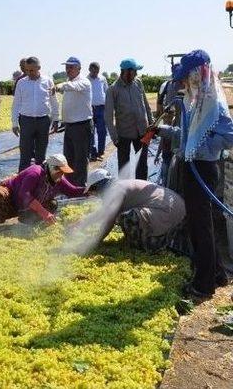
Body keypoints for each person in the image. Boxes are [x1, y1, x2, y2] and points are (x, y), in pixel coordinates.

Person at [156, 49, 233, 299]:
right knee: (203, 224)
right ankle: (218, 274)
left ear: (198, 74)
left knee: (201, 227)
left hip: (204, 169)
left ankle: (203, 285)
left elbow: (229, 136)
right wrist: (165, 131)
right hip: (192, 165)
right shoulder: (195, 100)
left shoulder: (213, 103)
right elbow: (188, 134)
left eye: (186, 77)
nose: (183, 82)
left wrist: (205, 147)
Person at [80, 169, 186, 252]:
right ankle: (149, 240)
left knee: (125, 217)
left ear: (97, 187)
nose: (94, 195)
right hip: (176, 208)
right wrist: (83, 223)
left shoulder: (115, 191)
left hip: (167, 210)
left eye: (92, 191)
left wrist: (95, 242)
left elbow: (109, 220)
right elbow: (103, 212)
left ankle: (144, 247)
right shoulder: (118, 186)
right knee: (124, 216)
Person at [0, 154, 86, 228]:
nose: (62, 175)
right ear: (52, 168)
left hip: (25, 208)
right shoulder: (35, 173)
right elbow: (24, 194)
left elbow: (73, 191)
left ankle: (28, 222)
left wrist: (92, 189)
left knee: (52, 204)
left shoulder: (58, 179)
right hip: (12, 200)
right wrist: (44, 213)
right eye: (60, 172)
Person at [105, 58, 153, 180]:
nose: (136, 74)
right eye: (134, 71)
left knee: (142, 165)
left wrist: (151, 125)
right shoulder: (113, 89)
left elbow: (146, 105)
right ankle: (125, 193)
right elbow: (108, 116)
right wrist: (115, 138)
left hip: (142, 131)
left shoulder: (138, 83)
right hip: (123, 134)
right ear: (127, 72)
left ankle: (141, 190)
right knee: (124, 167)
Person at [11, 56, 59, 172]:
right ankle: (22, 180)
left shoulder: (47, 81)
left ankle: (39, 180)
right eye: (26, 70)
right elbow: (16, 103)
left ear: (39, 68)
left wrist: (56, 118)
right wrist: (14, 123)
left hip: (43, 121)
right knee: (25, 153)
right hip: (26, 120)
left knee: (41, 154)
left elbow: (54, 101)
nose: (28, 73)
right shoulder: (21, 83)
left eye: (31, 70)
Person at [57, 57, 93, 186]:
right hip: (70, 126)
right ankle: (69, 184)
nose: (68, 69)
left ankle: (79, 185)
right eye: (67, 67)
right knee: (69, 157)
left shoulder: (83, 82)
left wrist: (61, 85)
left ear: (79, 68)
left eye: (71, 67)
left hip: (81, 125)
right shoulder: (69, 82)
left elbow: (73, 86)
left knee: (80, 158)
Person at [87, 62, 109, 161]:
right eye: (93, 70)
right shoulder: (86, 80)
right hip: (90, 109)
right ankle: (93, 152)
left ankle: (101, 152)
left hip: (101, 108)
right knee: (90, 132)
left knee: (102, 131)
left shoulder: (102, 79)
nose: (95, 73)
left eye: (97, 71)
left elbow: (106, 92)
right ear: (89, 70)